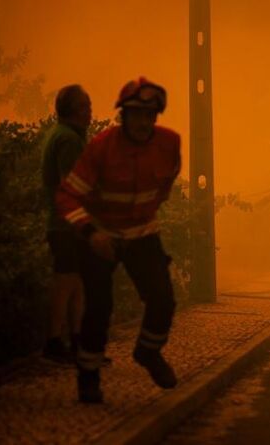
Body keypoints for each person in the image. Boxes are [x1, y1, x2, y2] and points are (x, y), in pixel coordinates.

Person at [56, 77, 181, 403]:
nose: (142, 122)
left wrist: (144, 218)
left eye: (149, 115)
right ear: (122, 115)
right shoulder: (101, 147)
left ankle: (148, 352)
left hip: (142, 233)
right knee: (98, 307)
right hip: (99, 235)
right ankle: (88, 377)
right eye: (136, 114)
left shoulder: (170, 143)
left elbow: (165, 185)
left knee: (163, 300)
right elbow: (67, 197)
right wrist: (90, 232)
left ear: (156, 117)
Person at [41, 85, 91, 362]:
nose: (90, 112)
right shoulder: (69, 140)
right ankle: (54, 341)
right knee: (66, 282)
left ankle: (76, 341)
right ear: (74, 110)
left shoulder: (64, 136)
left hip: (67, 223)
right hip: (67, 225)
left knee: (76, 283)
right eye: (85, 106)